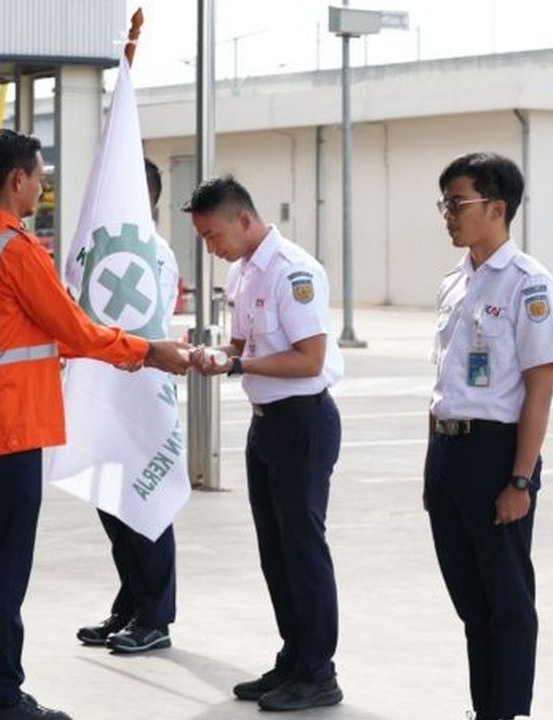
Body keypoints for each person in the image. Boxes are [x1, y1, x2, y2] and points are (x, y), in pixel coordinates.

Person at [0, 129, 189, 720]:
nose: (43, 183)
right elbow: (73, 329)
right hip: (7, 431)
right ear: (17, 179)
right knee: (2, 570)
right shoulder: (14, 250)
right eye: (39, 174)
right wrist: (149, 351)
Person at [186, 176, 346, 712]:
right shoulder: (242, 272)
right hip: (267, 422)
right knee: (274, 550)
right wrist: (216, 353)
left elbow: (309, 358)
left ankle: (318, 671)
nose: (212, 247)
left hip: (302, 421)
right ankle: (295, 655)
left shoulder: (292, 271)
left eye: (213, 235)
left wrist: (235, 363)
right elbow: (242, 343)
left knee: (302, 548)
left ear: (245, 220)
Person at [422, 152, 553, 720]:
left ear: (497, 208)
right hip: (449, 452)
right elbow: (444, 378)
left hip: (496, 452)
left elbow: (539, 387)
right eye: (446, 204)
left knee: (506, 600)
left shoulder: (530, 285)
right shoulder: (455, 284)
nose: (448, 215)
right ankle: (486, 709)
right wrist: (432, 467)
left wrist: (520, 478)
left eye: (458, 203)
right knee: (471, 601)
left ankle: (509, 712)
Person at [76, 158, 181, 655]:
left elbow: (137, 321)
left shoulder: (152, 254)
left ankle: (156, 617)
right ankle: (131, 604)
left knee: (145, 507)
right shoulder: (103, 252)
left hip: (140, 394)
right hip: (104, 391)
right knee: (115, 509)